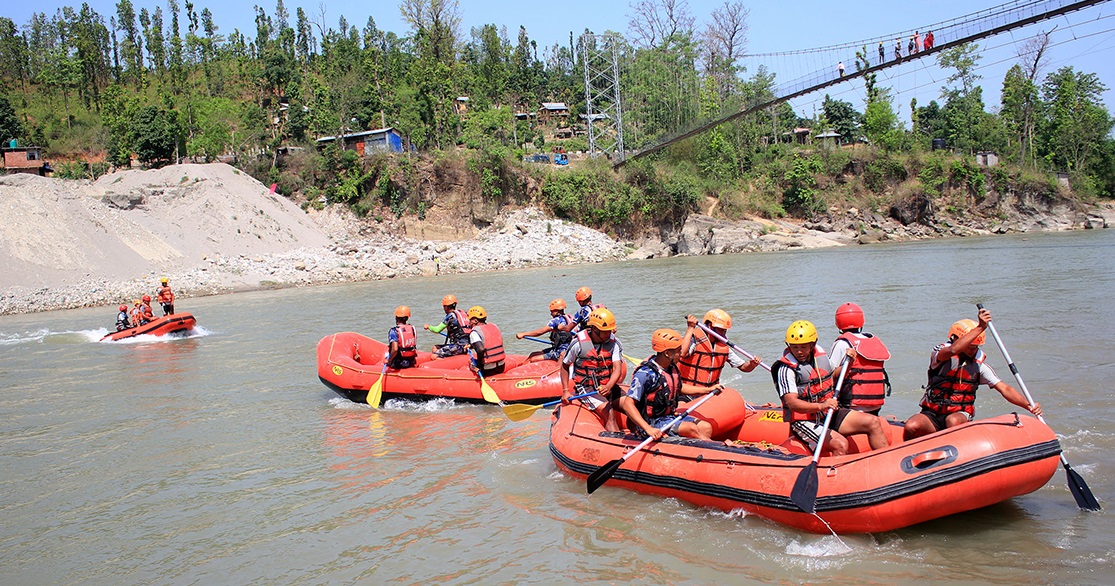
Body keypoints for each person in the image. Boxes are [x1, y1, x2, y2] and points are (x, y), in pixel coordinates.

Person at [903, 308, 1043, 440]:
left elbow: (1004, 389)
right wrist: (981, 327)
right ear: (955, 338)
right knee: (912, 426)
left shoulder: (979, 366)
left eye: (976, 347)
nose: (973, 350)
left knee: (953, 421)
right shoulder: (940, 355)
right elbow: (952, 351)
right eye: (970, 346)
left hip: (959, 414)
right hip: (932, 413)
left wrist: (1028, 405)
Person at [773, 320, 889, 456]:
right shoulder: (786, 369)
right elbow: (791, 403)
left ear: (813, 344)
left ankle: (888, 463)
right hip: (804, 420)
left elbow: (834, 376)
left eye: (803, 347)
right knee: (841, 444)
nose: (799, 352)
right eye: (794, 347)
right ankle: (838, 475)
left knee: (873, 422)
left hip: (828, 413)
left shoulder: (820, 357)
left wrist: (849, 362)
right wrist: (821, 406)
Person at [619, 329, 719, 441]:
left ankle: (701, 449)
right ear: (667, 353)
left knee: (706, 427)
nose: (681, 354)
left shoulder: (671, 368)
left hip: (668, 417)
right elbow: (628, 404)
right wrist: (648, 428)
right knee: (690, 428)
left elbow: (679, 387)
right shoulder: (645, 374)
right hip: (651, 422)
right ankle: (715, 450)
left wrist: (708, 390)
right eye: (678, 351)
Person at [560, 307, 626, 431]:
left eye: (610, 330)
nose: (609, 334)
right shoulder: (578, 344)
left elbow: (617, 369)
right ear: (595, 329)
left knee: (632, 405)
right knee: (609, 412)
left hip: (608, 386)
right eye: (605, 331)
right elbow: (564, 366)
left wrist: (609, 387)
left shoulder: (614, 343)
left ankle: (640, 437)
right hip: (586, 388)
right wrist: (565, 391)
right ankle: (615, 443)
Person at [829, 303, 892, 415]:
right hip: (875, 407)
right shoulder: (874, 341)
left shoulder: (842, 343)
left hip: (850, 407)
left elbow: (829, 376)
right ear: (862, 321)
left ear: (837, 323)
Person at [679, 309, 762, 389]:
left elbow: (744, 367)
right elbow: (683, 353)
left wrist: (752, 364)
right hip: (688, 390)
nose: (723, 334)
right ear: (710, 326)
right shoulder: (695, 339)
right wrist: (690, 328)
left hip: (710, 392)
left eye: (725, 331)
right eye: (721, 330)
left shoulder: (723, 346)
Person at [467, 306, 506, 376]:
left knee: (470, 363)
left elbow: (481, 349)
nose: (469, 323)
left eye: (470, 320)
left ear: (475, 321)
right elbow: (489, 342)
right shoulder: (494, 326)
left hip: (488, 369)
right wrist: (471, 346)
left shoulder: (474, 332)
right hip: (501, 366)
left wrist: (479, 365)